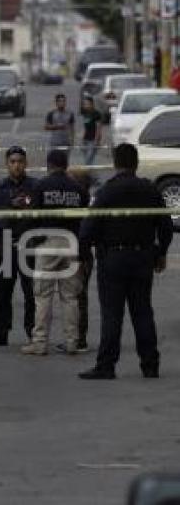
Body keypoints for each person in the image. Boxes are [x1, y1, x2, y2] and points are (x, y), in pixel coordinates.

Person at [78, 144, 173, 379]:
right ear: (136, 163)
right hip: (142, 258)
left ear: (115, 163)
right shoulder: (150, 190)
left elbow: (88, 228)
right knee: (142, 312)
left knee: (112, 315)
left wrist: (85, 255)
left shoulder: (107, 192)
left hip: (113, 259)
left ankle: (106, 365)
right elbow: (166, 226)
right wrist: (161, 252)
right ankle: (150, 364)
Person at [21, 150, 90, 356]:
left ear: (49, 165)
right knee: (70, 297)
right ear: (66, 165)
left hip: (48, 242)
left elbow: (33, 217)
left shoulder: (40, 186)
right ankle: (72, 342)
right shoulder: (78, 189)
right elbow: (84, 218)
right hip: (72, 242)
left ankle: (40, 342)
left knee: (43, 295)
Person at [0, 146, 38, 346]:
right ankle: (0, 332)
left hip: (27, 245)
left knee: (31, 293)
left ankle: (33, 332)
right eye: (12, 162)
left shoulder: (34, 185)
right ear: (7, 164)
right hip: (3, 246)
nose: (16, 165)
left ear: (26, 163)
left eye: (20, 161)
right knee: (3, 293)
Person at [66, 167, 96, 353]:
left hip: (79, 255)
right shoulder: (84, 200)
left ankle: (79, 339)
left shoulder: (82, 202)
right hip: (82, 254)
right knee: (78, 297)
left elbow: (85, 233)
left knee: (77, 298)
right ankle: (76, 337)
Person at [80, 96, 103, 166]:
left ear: (92, 104)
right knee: (87, 161)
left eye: (87, 104)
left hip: (92, 140)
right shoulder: (85, 113)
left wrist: (97, 140)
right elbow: (84, 127)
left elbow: (98, 128)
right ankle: (90, 175)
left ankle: (90, 175)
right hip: (85, 140)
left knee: (88, 160)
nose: (86, 105)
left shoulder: (96, 114)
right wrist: (81, 139)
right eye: (84, 104)